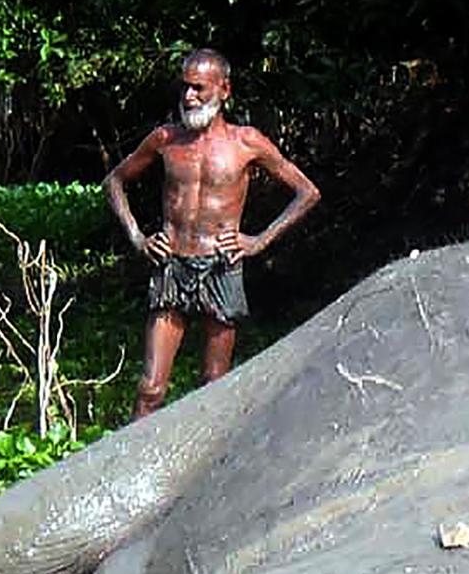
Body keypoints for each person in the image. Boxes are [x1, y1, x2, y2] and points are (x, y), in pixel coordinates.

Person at [105, 48, 321, 417]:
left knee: (214, 383)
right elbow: (114, 182)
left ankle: (211, 471)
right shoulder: (165, 139)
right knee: (151, 387)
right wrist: (139, 238)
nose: (188, 97)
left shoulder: (246, 142)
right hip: (172, 264)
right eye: (185, 88)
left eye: (199, 89)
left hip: (221, 265)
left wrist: (259, 241)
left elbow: (307, 192)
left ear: (224, 90)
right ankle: (126, 464)